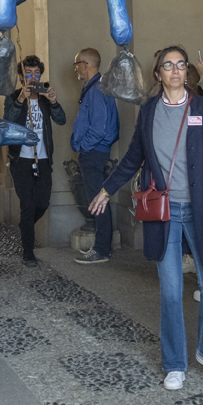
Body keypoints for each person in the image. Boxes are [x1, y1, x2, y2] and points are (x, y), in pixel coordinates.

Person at [89, 46, 203, 389]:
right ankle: (174, 363)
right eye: (168, 65)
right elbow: (134, 157)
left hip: (201, 210)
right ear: (158, 73)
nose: (176, 70)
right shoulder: (148, 112)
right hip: (165, 213)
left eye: (181, 65)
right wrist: (106, 190)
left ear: (186, 73)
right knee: (171, 291)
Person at [4, 56, 65, 267]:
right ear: (21, 76)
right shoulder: (12, 97)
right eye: (28, 73)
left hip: (44, 159)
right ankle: (27, 251)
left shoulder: (44, 97)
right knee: (28, 205)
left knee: (43, 203)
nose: (32, 77)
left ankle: (25, 228)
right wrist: (20, 100)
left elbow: (61, 120)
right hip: (21, 160)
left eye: (36, 73)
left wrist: (54, 102)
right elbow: (8, 123)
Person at [70, 48, 119, 265]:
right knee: (100, 200)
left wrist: (83, 146)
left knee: (99, 202)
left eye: (77, 64)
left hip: (94, 153)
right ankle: (101, 248)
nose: (75, 69)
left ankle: (101, 250)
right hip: (95, 152)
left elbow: (98, 128)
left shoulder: (97, 90)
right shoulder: (97, 88)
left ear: (85, 64)